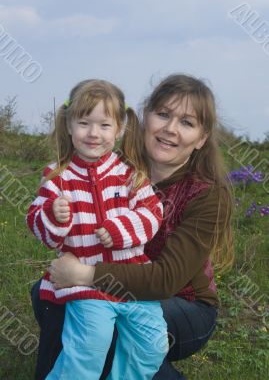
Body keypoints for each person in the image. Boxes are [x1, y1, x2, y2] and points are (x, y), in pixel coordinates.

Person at [31, 74, 234, 380]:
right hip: (115, 277)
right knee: (50, 295)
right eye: (163, 114)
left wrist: (84, 274)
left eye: (187, 123)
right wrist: (54, 212)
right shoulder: (113, 165)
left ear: (201, 139)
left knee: (113, 322)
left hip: (182, 303)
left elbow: (166, 279)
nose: (170, 129)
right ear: (144, 117)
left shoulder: (208, 194)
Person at [27, 79, 169, 380]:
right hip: (86, 283)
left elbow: (153, 212)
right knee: (90, 345)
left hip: (133, 279)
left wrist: (120, 229)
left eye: (104, 125)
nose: (94, 133)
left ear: (118, 130)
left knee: (153, 344)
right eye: (84, 123)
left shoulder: (129, 174)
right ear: (68, 126)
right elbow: (40, 229)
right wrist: (54, 215)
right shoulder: (58, 177)